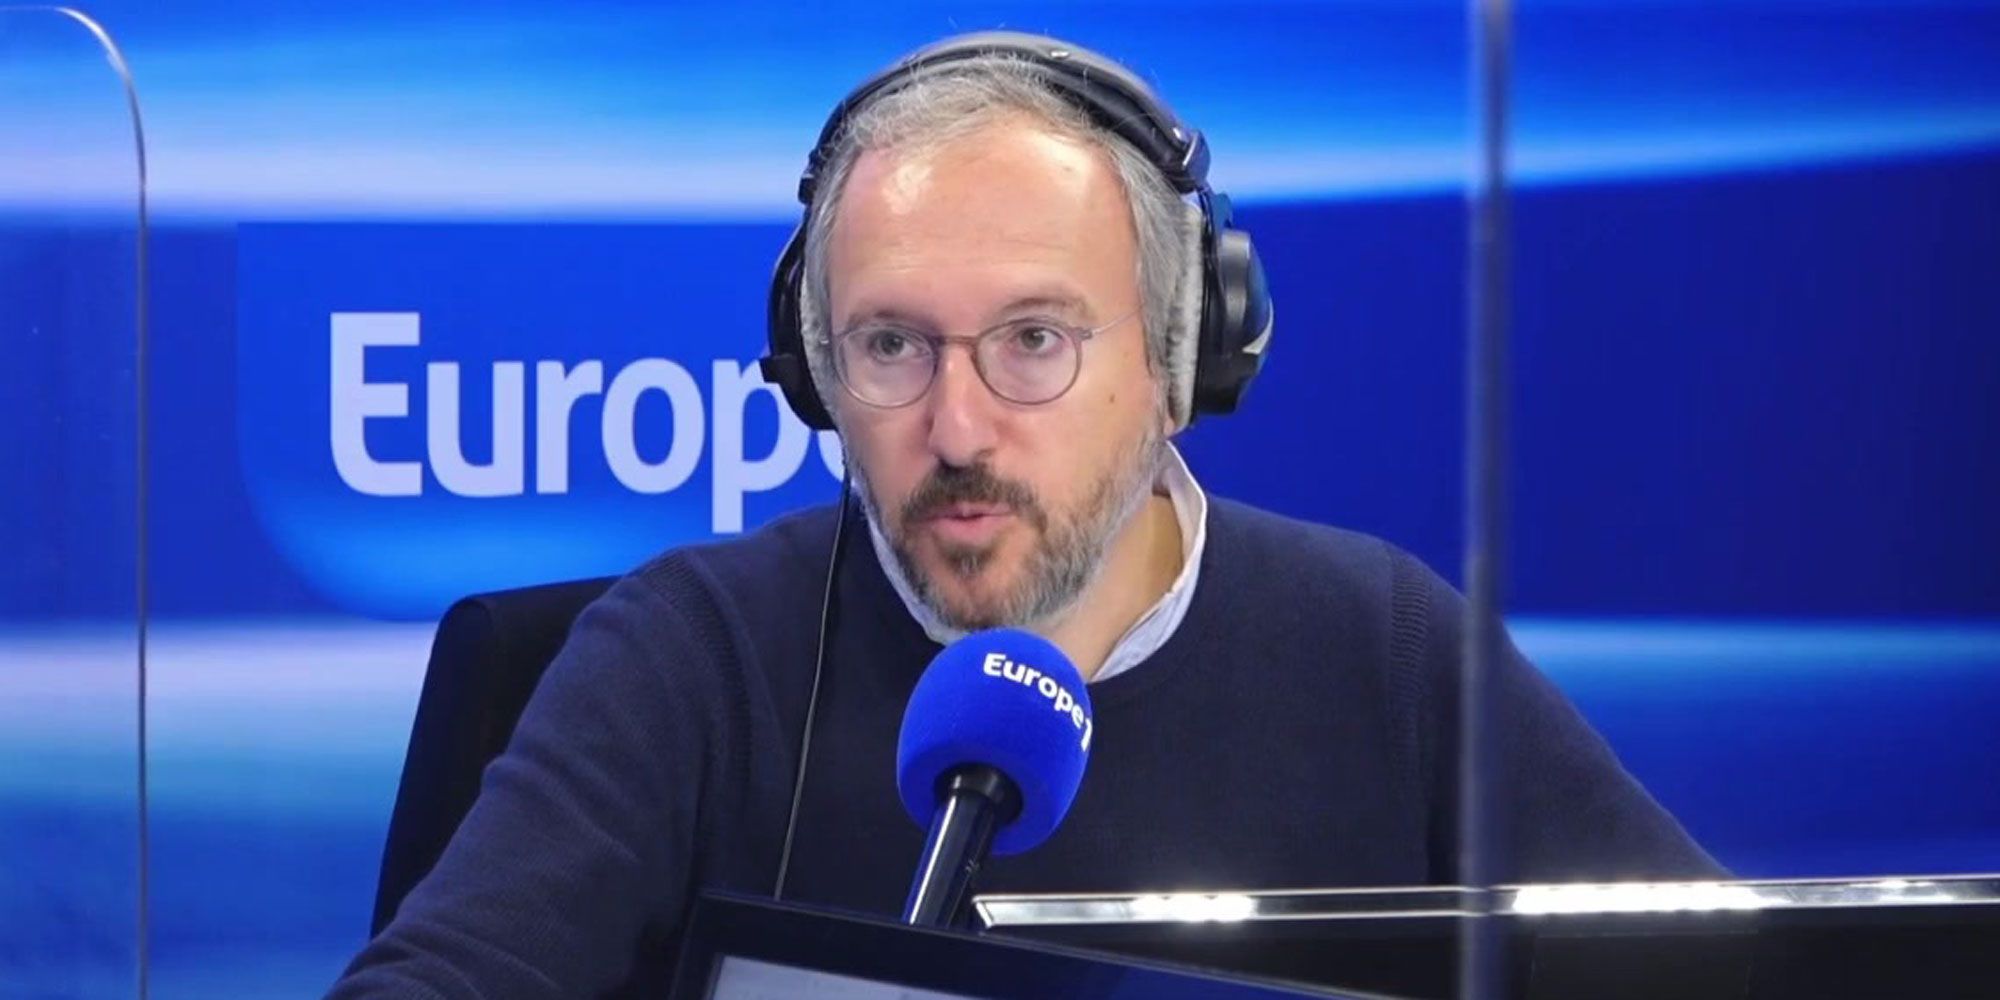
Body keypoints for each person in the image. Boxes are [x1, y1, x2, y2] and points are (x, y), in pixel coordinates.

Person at [328, 31, 1719, 999]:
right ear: (816, 372)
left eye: (1034, 341)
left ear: (1175, 360)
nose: (957, 428)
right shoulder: (693, 655)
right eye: (891, 346)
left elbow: (1727, 976)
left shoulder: (1387, 650)